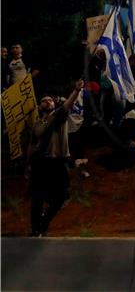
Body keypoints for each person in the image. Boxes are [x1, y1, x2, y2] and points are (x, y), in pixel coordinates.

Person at [29, 79, 84, 236]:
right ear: (40, 106)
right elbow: (32, 146)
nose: (47, 101)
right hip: (41, 164)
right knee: (37, 198)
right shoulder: (37, 124)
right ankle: (36, 229)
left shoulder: (58, 116)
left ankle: (44, 221)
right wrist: (28, 164)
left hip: (58, 163)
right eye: (44, 100)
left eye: (50, 100)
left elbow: (68, 104)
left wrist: (76, 90)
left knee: (61, 197)